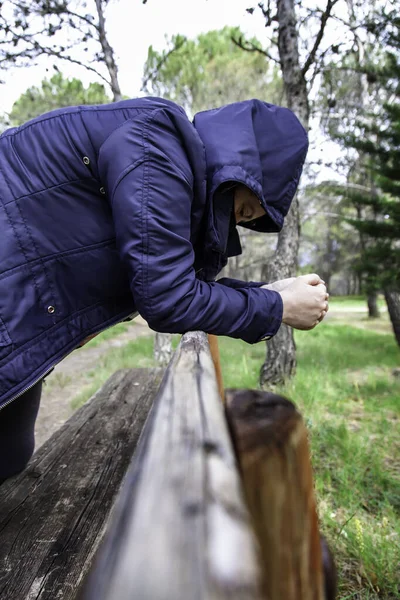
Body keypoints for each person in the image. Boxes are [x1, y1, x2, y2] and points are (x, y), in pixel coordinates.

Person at [0, 96, 328, 482]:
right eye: (243, 212)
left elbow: (181, 280)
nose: (238, 224)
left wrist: (272, 292)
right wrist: (277, 307)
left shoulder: (174, 168)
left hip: (18, 311)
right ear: (240, 173)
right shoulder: (159, 143)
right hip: (12, 299)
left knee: (11, 454)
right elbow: (169, 298)